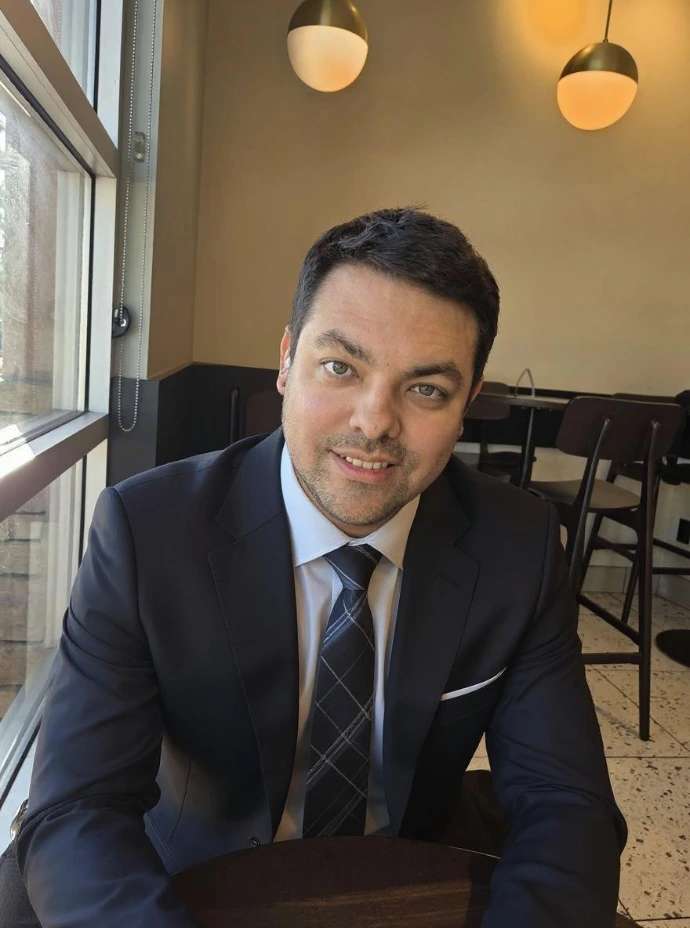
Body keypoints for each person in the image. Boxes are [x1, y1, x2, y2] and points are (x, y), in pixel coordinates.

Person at [8, 208, 625, 927]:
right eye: (340, 367)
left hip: (402, 884)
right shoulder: (146, 533)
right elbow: (78, 805)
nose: (374, 421)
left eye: (426, 389)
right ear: (285, 361)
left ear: (466, 406)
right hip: (189, 887)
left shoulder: (519, 547)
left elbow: (566, 803)